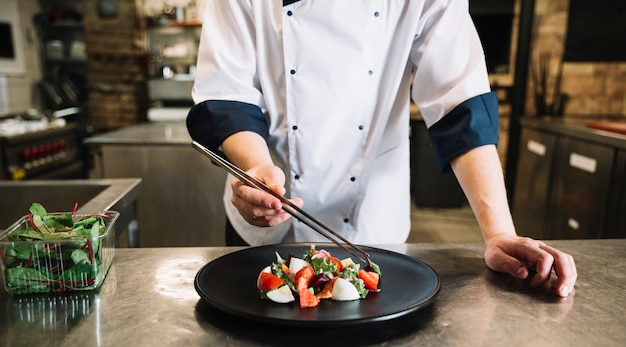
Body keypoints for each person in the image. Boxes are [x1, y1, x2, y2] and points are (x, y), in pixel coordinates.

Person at [186, 1, 577, 297]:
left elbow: (461, 102)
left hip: (372, 221)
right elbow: (226, 95)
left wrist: (499, 233)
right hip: (265, 212)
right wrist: (255, 169)